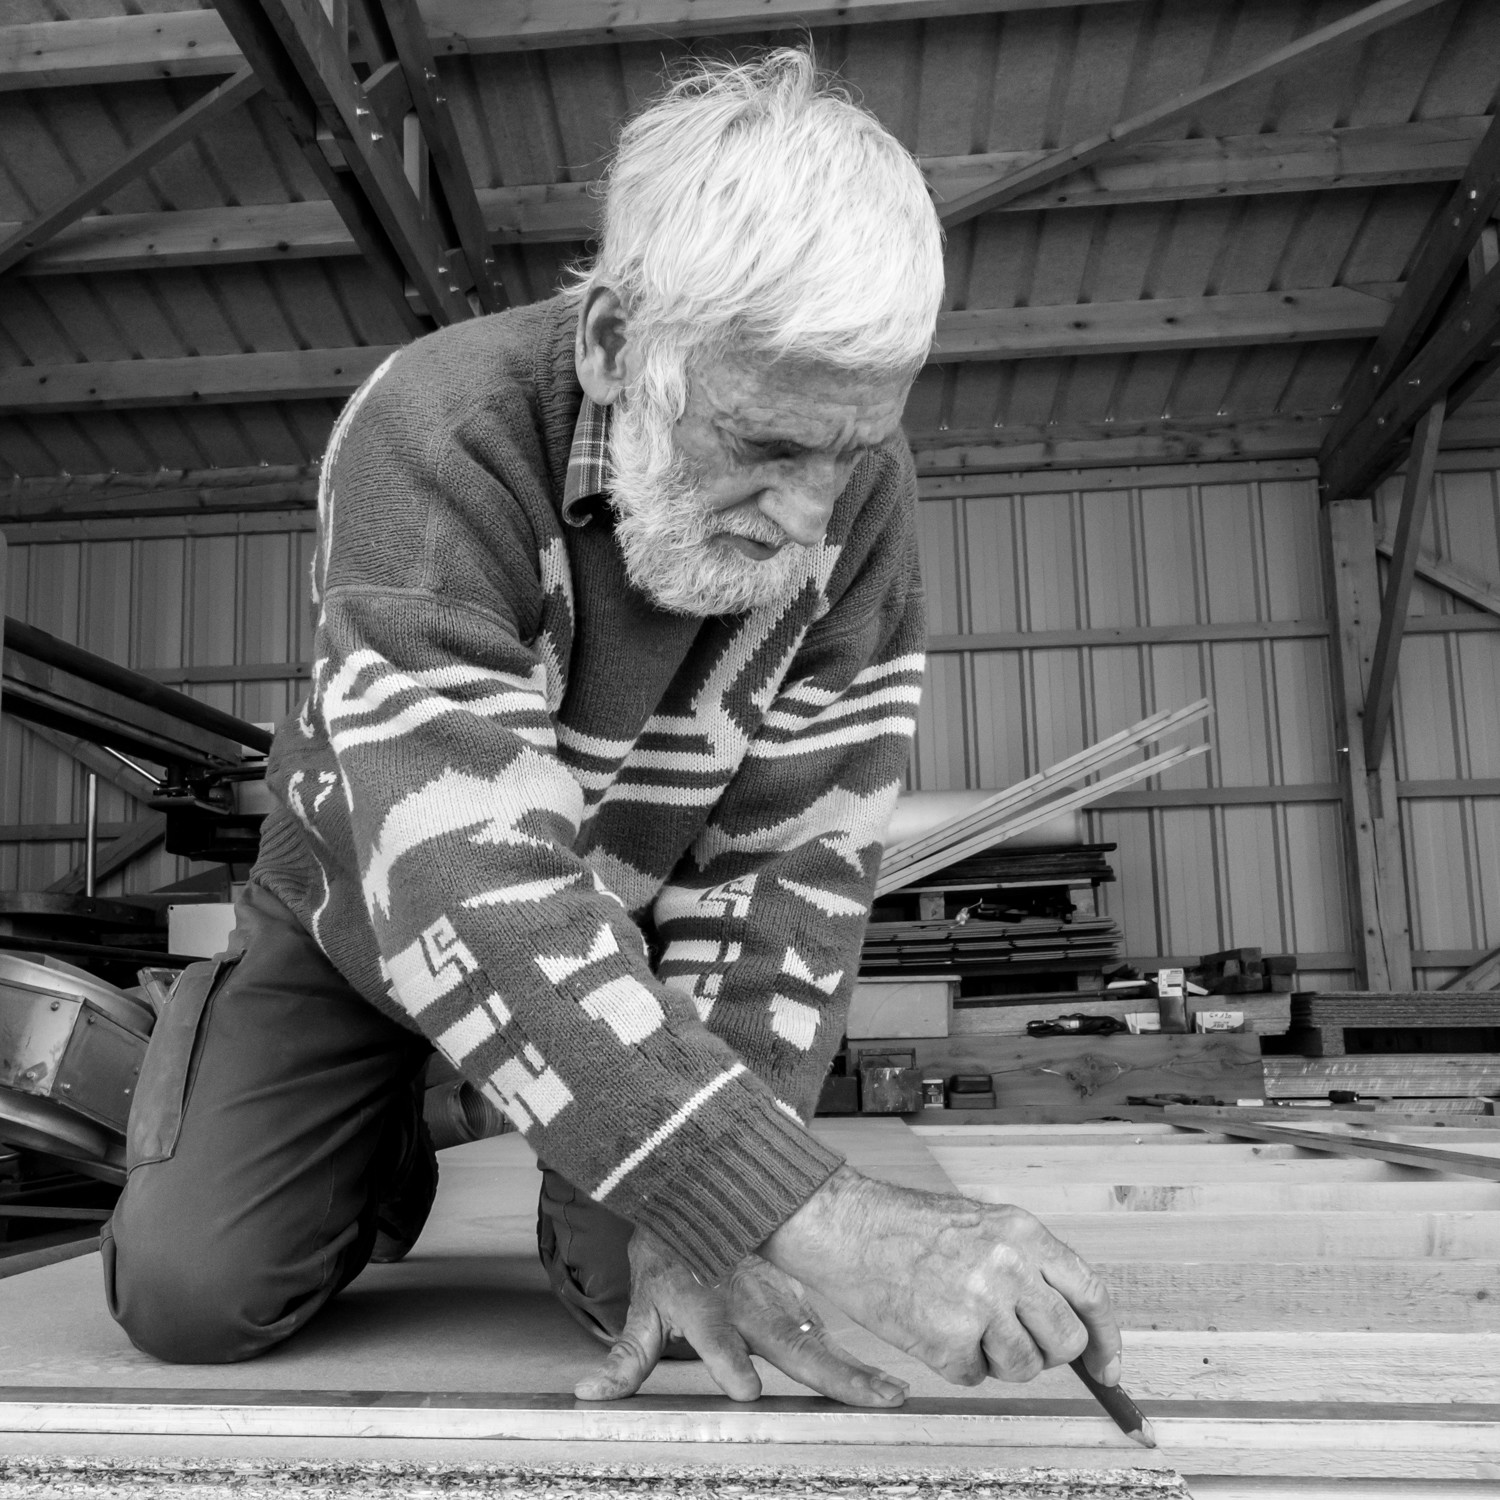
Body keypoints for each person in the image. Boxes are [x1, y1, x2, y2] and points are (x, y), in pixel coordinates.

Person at [103, 47, 1123, 1408]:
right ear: (611, 346)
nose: (808, 516)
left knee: (648, 1294)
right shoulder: (433, 431)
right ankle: (384, 1124)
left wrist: (727, 1220)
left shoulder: (850, 479)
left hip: (621, 931)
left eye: (850, 453)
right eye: (760, 447)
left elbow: (792, 876)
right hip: (361, 920)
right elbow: (459, 880)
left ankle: (538, 1105)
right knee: (191, 1299)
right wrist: (821, 1214)